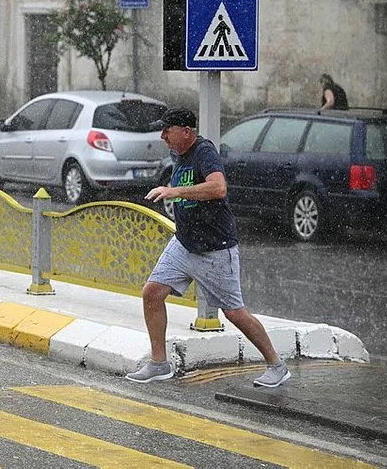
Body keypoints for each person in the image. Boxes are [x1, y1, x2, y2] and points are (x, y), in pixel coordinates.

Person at [125, 107, 291, 388]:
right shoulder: (177, 154)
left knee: (234, 313)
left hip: (215, 248)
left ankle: (277, 365)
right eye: (162, 129)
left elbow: (218, 188)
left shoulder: (204, 152)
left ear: (187, 132)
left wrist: (175, 191)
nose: (162, 135)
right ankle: (159, 363)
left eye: (168, 130)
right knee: (152, 293)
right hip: (184, 242)